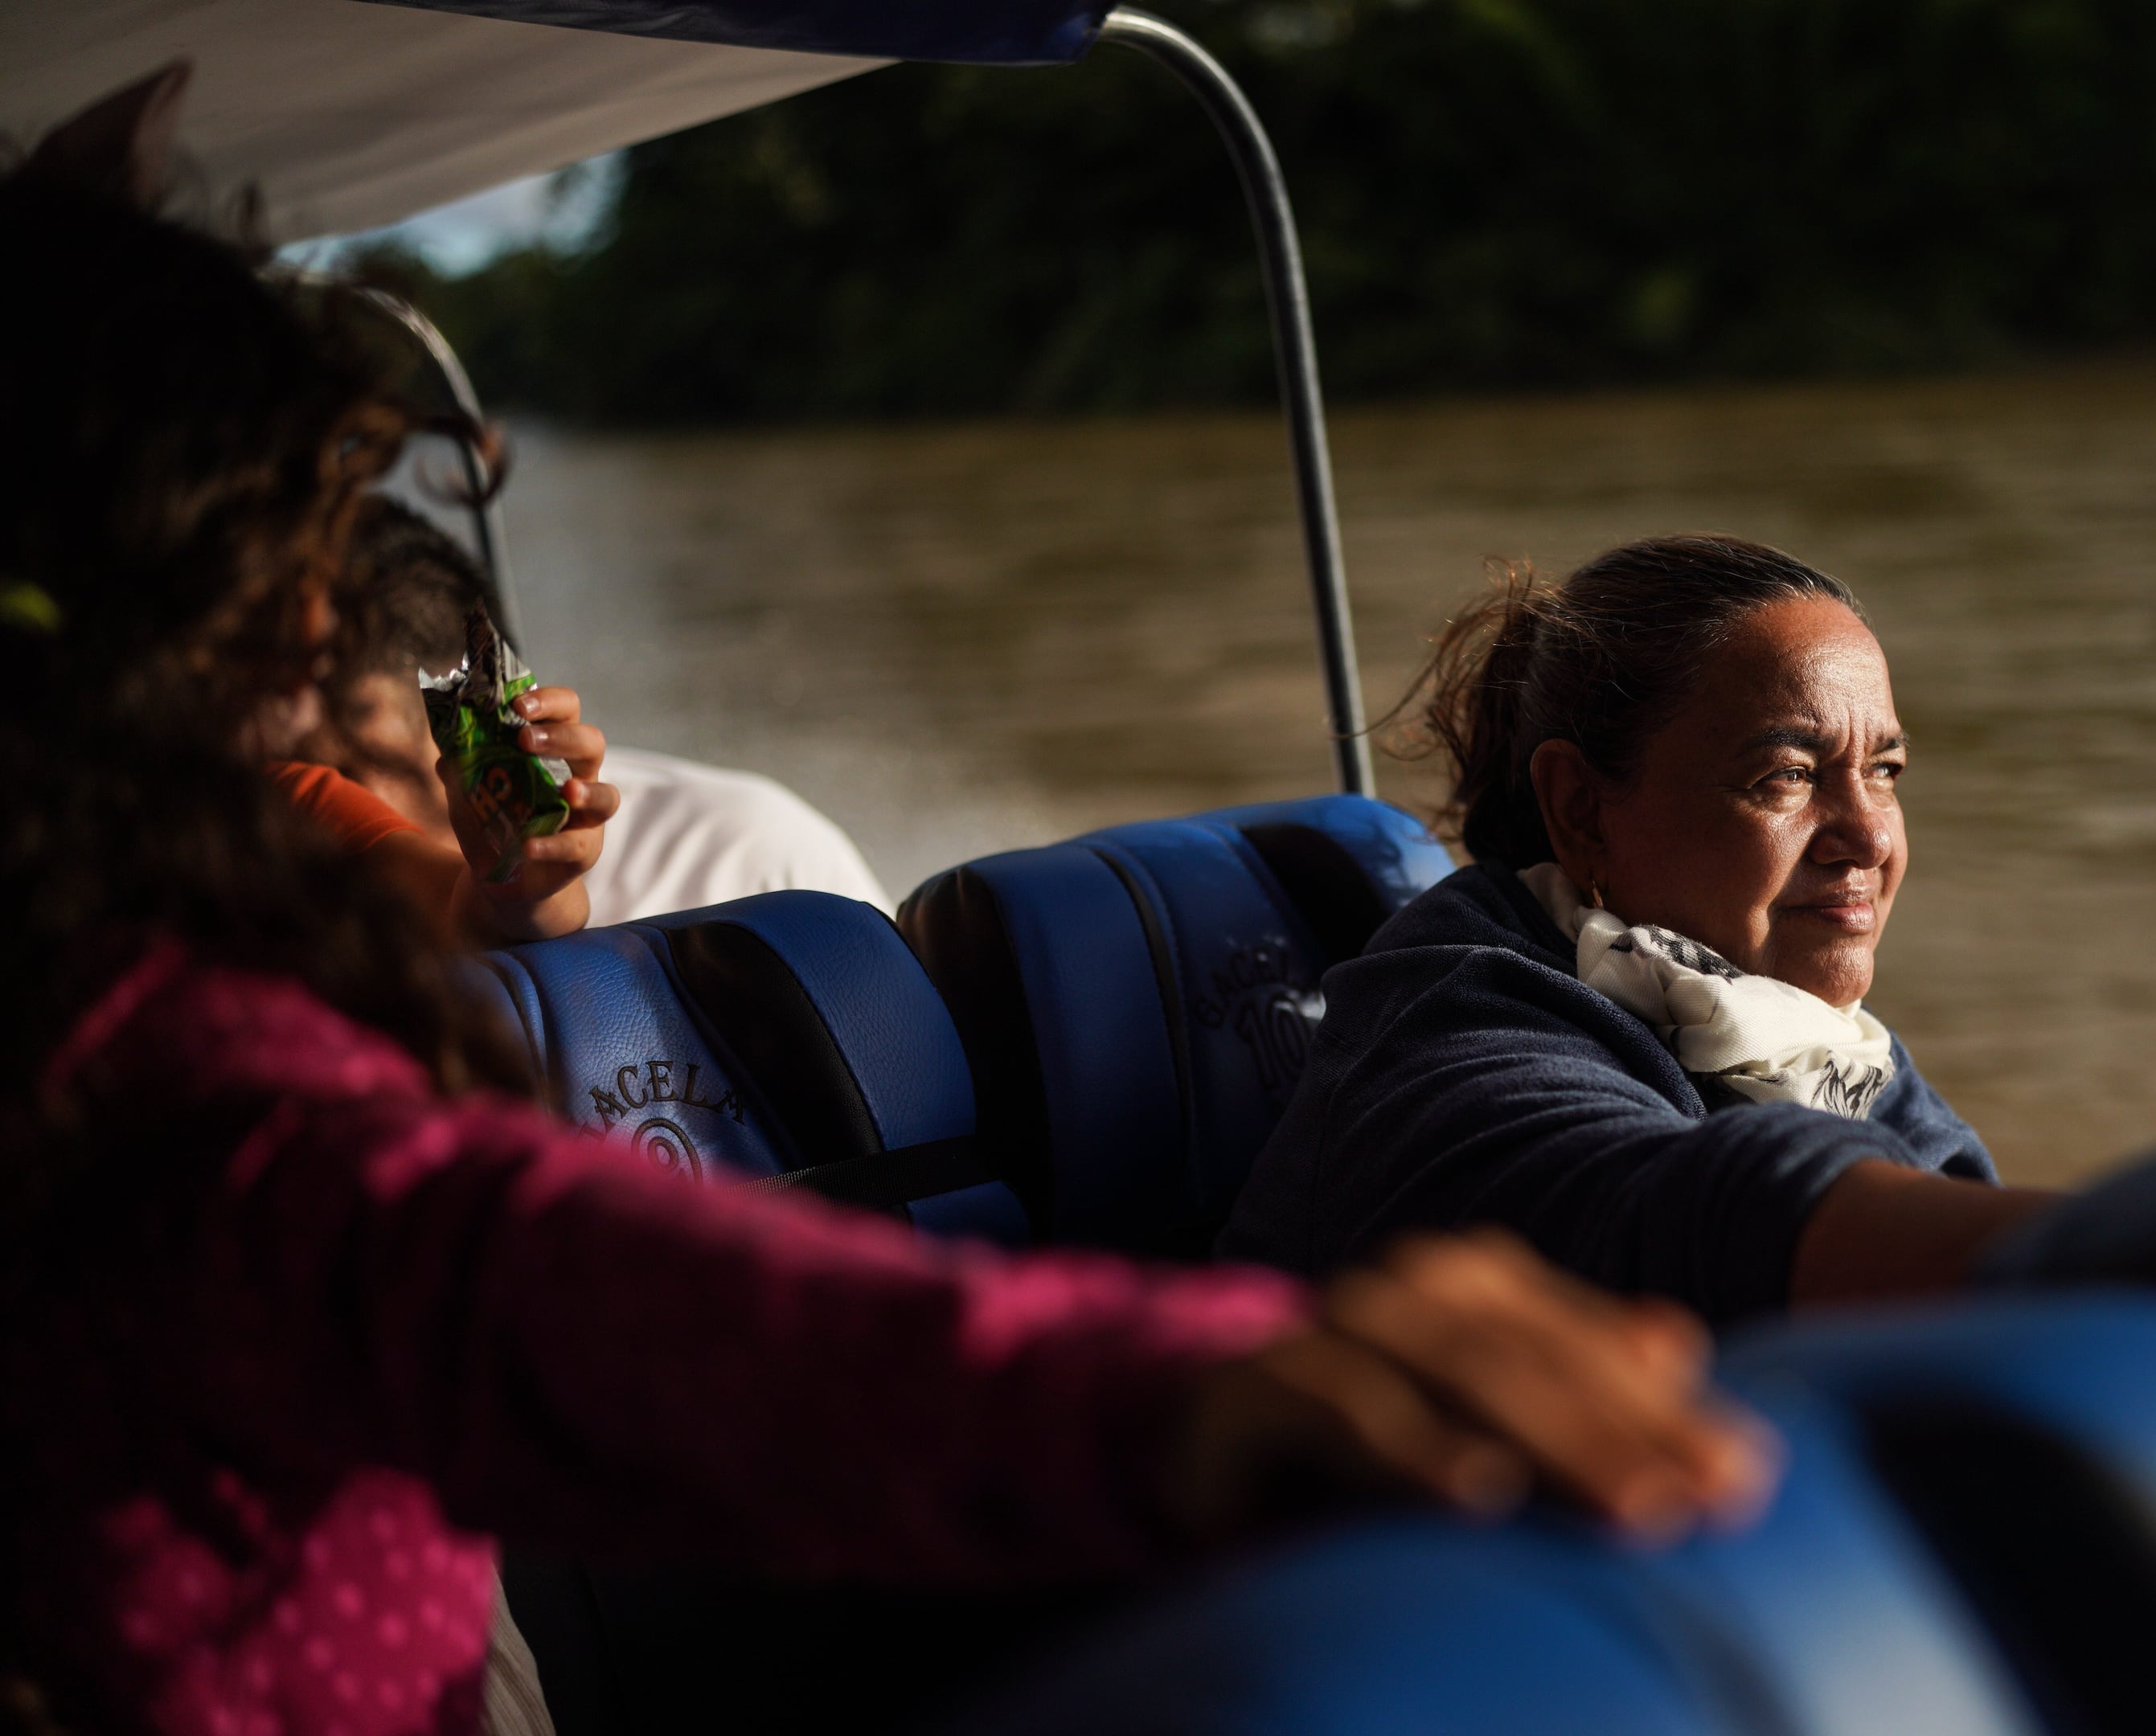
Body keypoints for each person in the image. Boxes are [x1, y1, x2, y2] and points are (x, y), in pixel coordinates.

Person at [0, 69, 1773, 1736]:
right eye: (281, 590)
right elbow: (599, 1304)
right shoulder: (173, 1093)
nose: (322, 647)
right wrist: (1198, 1398)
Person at [1219, 535, 2156, 1321]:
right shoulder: (1456, 1040)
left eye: (1885, 770)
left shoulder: (1805, 1040)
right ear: (1581, 811)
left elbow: (1971, 1240)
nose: (1869, 836)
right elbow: (1712, 1217)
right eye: (1787, 776)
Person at [301, 497, 892, 927]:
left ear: (478, 703)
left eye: (353, 757)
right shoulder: (263, 886)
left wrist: (517, 884)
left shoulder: (751, 854)